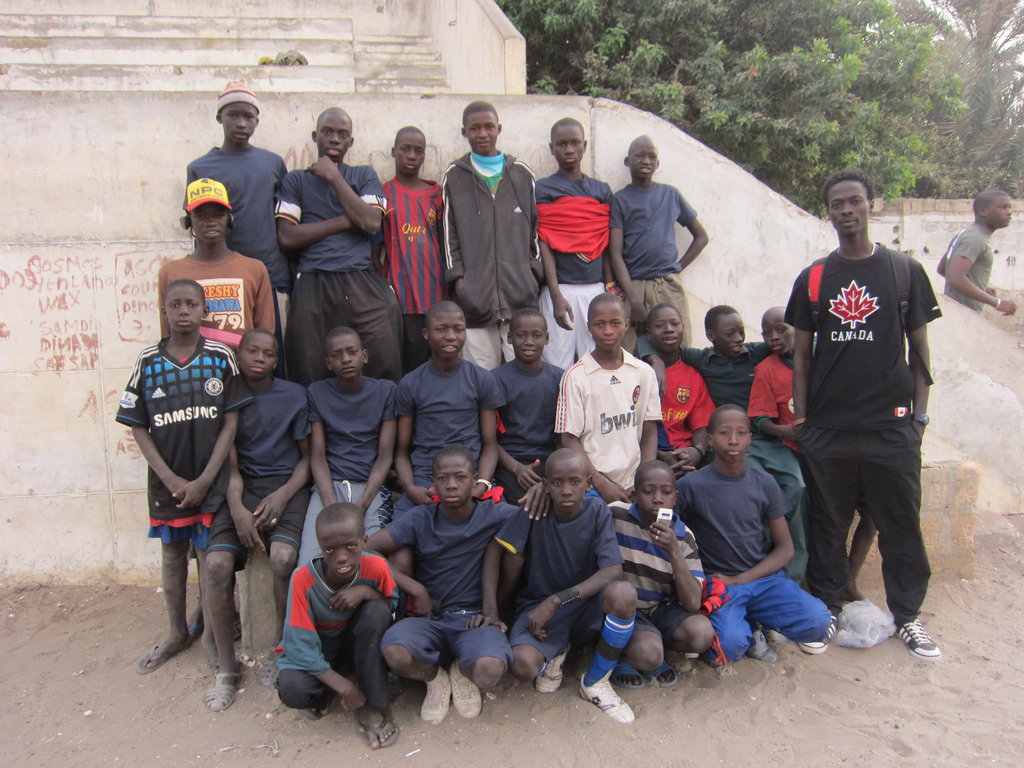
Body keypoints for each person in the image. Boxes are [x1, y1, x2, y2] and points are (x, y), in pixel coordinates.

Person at [786, 169, 943, 659]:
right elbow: (801, 357)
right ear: (829, 212)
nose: (847, 210)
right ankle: (828, 609)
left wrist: (918, 420)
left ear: (871, 203)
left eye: (855, 200)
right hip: (828, 430)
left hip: (891, 428)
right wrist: (804, 422)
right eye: (837, 204)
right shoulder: (814, 278)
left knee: (901, 525)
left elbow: (920, 351)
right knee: (828, 526)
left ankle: (908, 616)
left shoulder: (903, 271)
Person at [115, 279, 252, 685]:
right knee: (173, 556)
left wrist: (206, 478)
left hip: (211, 483)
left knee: (210, 557)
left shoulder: (221, 357)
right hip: (168, 485)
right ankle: (177, 632)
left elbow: (231, 422)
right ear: (165, 312)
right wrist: (171, 478)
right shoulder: (147, 361)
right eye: (175, 305)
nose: (184, 311)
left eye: (192, 304)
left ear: (204, 311)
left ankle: (211, 635)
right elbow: (137, 425)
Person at [485, 449, 638, 723]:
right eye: (557, 483)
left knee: (624, 593)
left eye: (575, 482)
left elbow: (613, 570)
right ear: (545, 485)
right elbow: (496, 549)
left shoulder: (597, 511)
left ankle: (596, 680)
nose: (566, 490)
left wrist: (557, 600)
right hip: (540, 611)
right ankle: (557, 652)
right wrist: (492, 611)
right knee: (522, 664)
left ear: (588, 484)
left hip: (583, 605)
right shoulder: (535, 510)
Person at [676, 405, 832, 664]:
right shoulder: (691, 485)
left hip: (762, 580)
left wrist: (741, 579)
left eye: (741, 433)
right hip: (720, 585)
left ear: (750, 439)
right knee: (729, 648)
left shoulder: (765, 483)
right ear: (711, 439)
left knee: (818, 621)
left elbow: (785, 549)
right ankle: (748, 627)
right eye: (724, 433)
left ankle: (756, 619)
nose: (733, 440)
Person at [372, 447, 517, 724]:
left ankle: (462, 672)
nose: (451, 485)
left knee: (489, 670)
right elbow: (369, 551)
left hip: (475, 620)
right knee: (395, 652)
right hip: (431, 618)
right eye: (443, 478)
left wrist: (539, 491)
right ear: (433, 482)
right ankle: (436, 679)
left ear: (475, 480)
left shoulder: (495, 514)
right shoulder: (420, 517)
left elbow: (534, 518)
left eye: (460, 477)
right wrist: (415, 588)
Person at [204, 328, 311, 698]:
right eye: (252, 351)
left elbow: (307, 460)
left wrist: (282, 496)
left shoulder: (293, 395)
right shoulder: (226, 394)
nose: (260, 358)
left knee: (283, 559)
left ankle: (281, 648)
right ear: (239, 354)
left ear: (276, 360)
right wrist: (237, 509)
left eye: (268, 354)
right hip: (241, 488)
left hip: (286, 486)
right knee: (216, 564)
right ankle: (227, 666)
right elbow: (230, 465)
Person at [276, 107, 401, 385]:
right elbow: (287, 237)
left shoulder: (363, 175)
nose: (334, 139)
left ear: (351, 142)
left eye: (342, 134)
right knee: (308, 364)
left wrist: (334, 177)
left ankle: (383, 412)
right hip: (314, 279)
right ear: (315, 136)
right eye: (327, 132)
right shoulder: (296, 180)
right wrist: (346, 221)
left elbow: (371, 224)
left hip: (361, 279)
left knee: (383, 356)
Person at [276, 503, 400, 749]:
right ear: (320, 546)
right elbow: (299, 646)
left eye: (351, 546)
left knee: (376, 611)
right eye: (330, 549)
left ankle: (372, 704)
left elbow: (392, 605)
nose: (341, 557)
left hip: (358, 645)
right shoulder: (303, 579)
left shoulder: (376, 567)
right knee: (292, 689)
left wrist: (366, 592)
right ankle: (328, 693)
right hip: (323, 649)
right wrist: (345, 687)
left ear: (364, 541)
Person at [187, 81, 291, 355]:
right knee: (221, 357)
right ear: (219, 117)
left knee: (268, 355)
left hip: (270, 275)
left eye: (248, 116)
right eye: (233, 115)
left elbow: (285, 220)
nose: (241, 123)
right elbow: (195, 224)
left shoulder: (272, 163)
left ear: (257, 120)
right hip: (222, 282)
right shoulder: (200, 168)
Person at [442, 100, 540, 368]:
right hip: (475, 296)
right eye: (475, 128)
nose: (482, 134)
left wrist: (532, 272)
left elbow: (535, 228)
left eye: (489, 127)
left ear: (499, 128)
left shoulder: (521, 173)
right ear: (464, 132)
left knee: (522, 370)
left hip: (519, 292)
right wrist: (458, 279)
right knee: (481, 373)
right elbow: (448, 233)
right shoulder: (454, 175)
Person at [610, 460, 714, 688]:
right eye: (648, 491)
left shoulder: (684, 537)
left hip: (660, 608)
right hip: (625, 611)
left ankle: (655, 646)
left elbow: (692, 603)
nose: (657, 498)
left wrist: (674, 552)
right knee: (648, 654)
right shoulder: (616, 515)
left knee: (702, 633)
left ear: (675, 498)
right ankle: (621, 656)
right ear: (634, 494)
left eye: (666, 492)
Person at [393, 301, 501, 517]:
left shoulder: (481, 379)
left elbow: (490, 444)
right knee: (399, 532)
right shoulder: (411, 383)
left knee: (508, 527)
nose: (451, 336)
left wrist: (482, 484)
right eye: (441, 329)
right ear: (426, 334)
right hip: (427, 479)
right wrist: (411, 488)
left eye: (458, 329)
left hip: (470, 477)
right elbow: (402, 452)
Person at [554, 293, 661, 503]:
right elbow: (568, 438)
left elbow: (649, 432)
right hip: (592, 483)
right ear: (589, 327)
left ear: (626, 324)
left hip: (635, 482)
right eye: (600, 324)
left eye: (615, 323)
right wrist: (601, 484)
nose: (608, 331)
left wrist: (643, 481)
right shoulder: (575, 376)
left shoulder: (643, 372)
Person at [303, 327, 396, 560]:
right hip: (329, 487)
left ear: (364, 355)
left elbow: (385, 456)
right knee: (310, 561)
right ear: (328, 363)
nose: (345, 359)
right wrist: (330, 505)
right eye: (337, 355)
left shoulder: (385, 391)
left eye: (351, 352)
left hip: (370, 487)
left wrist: (363, 503)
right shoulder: (317, 393)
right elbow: (317, 456)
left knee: (370, 558)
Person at [609, 135, 709, 349]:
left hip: (666, 285)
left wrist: (677, 267)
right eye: (639, 156)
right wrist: (634, 300)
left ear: (658, 163)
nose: (646, 161)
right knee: (629, 349)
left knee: (678, 346)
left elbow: (701, 237)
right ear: (628, 161)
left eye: (651, 157)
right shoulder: (620, 199)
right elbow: (615, 254)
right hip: (632, 286)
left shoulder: (670, 195)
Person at [535, 118, 617, 368]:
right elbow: (544, 242)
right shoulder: (543, 189)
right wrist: (556, 296)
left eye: (574, 142)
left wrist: (610, 289)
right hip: (560, 289)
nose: (569, 149)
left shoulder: (601, 190)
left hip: (595, 290)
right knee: (556, 366)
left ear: (584, 145)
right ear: (552, 148)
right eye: (561, 144)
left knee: (597, 366)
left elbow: (605, 243)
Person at [158, 178, 275, 348]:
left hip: (239, 365)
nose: (211, 221)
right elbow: (167, 337)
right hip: (191, 365)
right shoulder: (170, 272)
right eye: (201, 215)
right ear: (188, 221)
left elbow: (265, 334)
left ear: (229, 219)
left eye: (218, 214)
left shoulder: (255, 269)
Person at [375, 126, 446, 373]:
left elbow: (448, 245)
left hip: (435, 296)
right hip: (399, 299)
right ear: (394, 152)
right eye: (405, 149)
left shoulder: (437, 195)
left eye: (418, 150)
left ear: (424, 155)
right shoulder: (383, 193)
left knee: (436, 367)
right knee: (404, 368)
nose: (412, 155)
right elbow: (375, 250)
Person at [746, 307, 809, 582]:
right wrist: (788, 432)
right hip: (787, 447)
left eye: (781, 329)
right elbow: (760, 419)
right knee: (795, 489)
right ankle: (785, 572)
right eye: (767, 333)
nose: (774, 337)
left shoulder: (821, 359)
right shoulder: (767, 369)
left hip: (825, 447)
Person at [491, 309, 564, 502]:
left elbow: (563, 437)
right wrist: (516, 468)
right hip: (509, 463)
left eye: (536, 335)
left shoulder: (560, 378)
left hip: (550, 462)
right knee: (520, 506)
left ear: (547, 338)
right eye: (521, 335)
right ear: (509, 337)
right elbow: (488, 439)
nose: (529, 341)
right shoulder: (495, 380)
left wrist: (551, 472)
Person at [646, 303, 714, 476]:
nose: (669, 329)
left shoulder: (693, 375)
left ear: (683, 327)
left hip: (685, 454)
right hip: (649, 454)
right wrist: (660, 455)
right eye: (660, 326)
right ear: (648, 333)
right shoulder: (637, 372)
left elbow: (701, 425)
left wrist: (697, 451)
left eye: (674, 324)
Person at [938, 189, 1016, 315]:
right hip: (963, 315)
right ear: (983, 211)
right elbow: (955, 278)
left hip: (957, 313)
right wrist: (997, 303)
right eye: (1003, 207)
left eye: (1009, 207)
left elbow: (943, 268)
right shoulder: (975, 238)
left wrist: (981, 287)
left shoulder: (967, 233)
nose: (1009, 212)